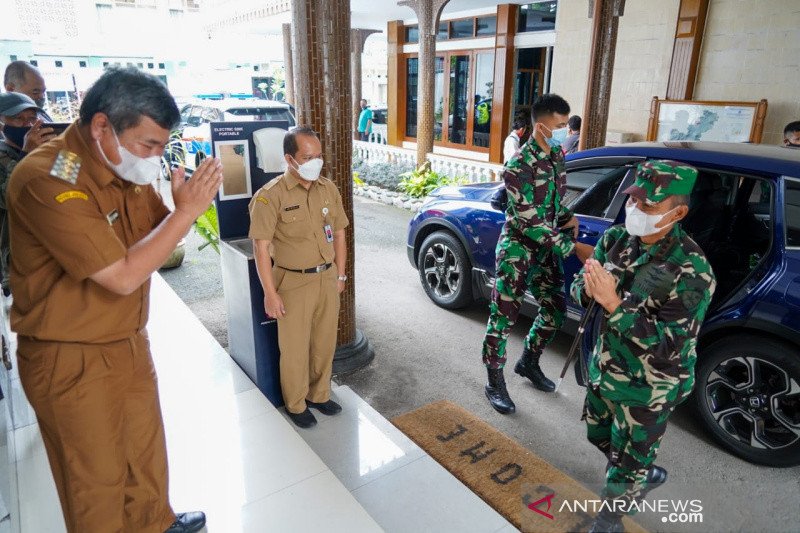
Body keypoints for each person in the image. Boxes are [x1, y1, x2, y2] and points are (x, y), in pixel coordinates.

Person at [7, 67, 221, 533]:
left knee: (144, 455)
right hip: (69, 357)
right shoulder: (48, 178)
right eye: (149, 145)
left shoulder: (124, 167)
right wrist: (186, 213)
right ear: (102, 126)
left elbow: (157, 234)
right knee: (95, 485)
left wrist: (180, 207)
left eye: (162, 145)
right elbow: (123, 275)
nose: (155, 157)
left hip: (126, 341)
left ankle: (154, 524)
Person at [570, 160, 716, 533]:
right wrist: (587, 290)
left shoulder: (692, 270)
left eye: (648, 206)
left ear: (678, 212)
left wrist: (614, 304)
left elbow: (671, 343)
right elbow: (581, 289)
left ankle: (610, 518)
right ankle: (638, 471)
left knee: (626, 464)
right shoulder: (616, 239)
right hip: (608, 368)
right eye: (633, 201)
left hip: (652, 385)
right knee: (598, 435)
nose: (635, 210)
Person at [482, 94, 594, 414]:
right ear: (541, 125)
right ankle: (494, 381)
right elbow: (527, 220)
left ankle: (528, 362)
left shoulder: (557, 153)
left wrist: (566, 217)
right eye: (560, 125)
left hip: (545, 250)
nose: (565, 131)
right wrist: (572, 247)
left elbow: (555, 199)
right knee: (503, 319)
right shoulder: (517, 165)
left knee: (555, 311)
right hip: (518, 248)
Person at [249, 126, 349, 429]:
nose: (315, 162)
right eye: (308, 157)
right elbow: (261, 248)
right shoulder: (270, 197)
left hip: (327, 278)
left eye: (318, 156)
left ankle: (320, 395)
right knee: (294, 348)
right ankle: (295, 403)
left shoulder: (327, 188)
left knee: (324, 342)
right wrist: (270, 292)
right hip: (292, 281)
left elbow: (340, 233)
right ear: (290, 159)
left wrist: (341, 274)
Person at [0, 92, 54, 294]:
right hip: (21, 258)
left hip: (54, 247)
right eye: (17, 118)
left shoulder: (45, 150)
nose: (27, 124)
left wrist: (62, 150)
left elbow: (70, 180)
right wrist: (26, 155)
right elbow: (8, 198)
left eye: (31, 118)